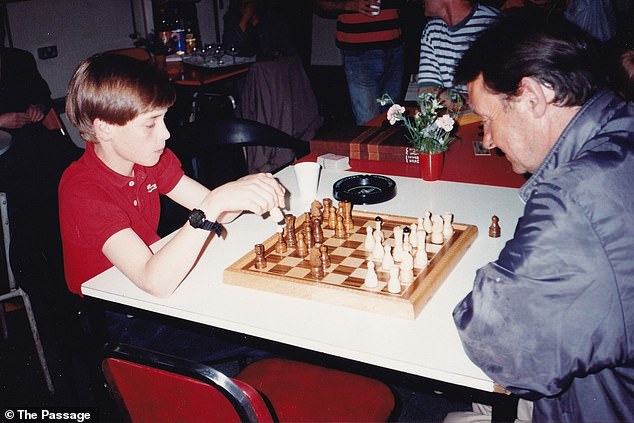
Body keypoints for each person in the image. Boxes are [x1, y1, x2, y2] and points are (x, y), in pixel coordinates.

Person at [447, 9, 634, 422]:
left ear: (532, 97)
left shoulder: (576, 198)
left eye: (488, 119)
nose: (489, 141)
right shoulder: (621, 127)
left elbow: (496, 346)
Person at [59, 54, 285, 365]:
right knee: (266, 331)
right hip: (117, 319)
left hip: (152, 291)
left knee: (264, 306)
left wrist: (243, 190)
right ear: (105, 128)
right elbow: (155, 280)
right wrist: (215, 203)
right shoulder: (82, 189)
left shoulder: (147, 158)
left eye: (163, 119)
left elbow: (215, 208)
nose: (165, 134)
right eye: (151, 123)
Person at [313, 0, 405, 125]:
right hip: (360, 52)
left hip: (394, 46)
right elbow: (319, 4)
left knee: (393, 120)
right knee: (369, 124)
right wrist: (350, 5)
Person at [417, 1, 498, 96]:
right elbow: (426, 90)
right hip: (453, 110)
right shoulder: (432, 30)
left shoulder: (495, 25)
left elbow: (503, 95)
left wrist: (455, 100)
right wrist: (454, 100)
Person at [222, 0, 297, 57]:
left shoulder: (271, 14)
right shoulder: (231, 17)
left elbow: (287, 46)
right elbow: (229, 48)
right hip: (242, 69)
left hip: (268, 68)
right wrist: (244, 19)